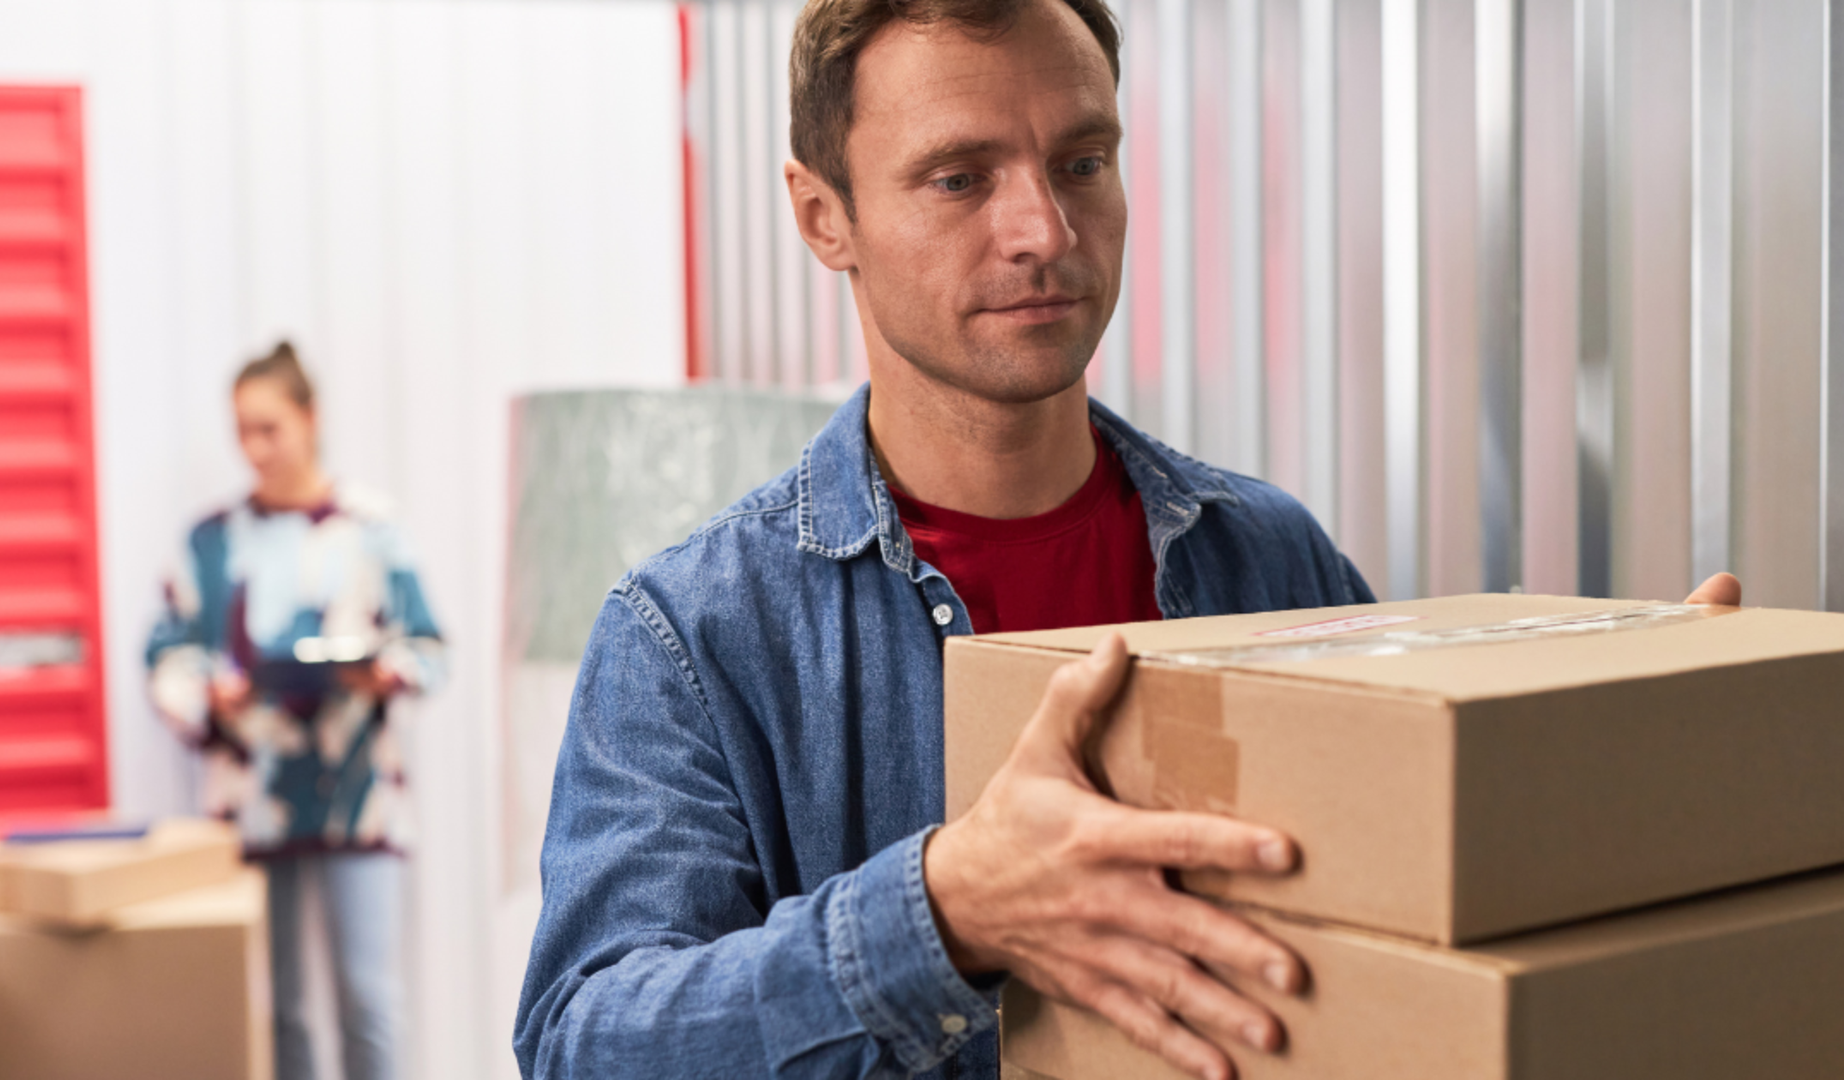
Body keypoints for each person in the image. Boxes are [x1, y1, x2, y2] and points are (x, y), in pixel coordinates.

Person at [513, 1, 1743, 1077]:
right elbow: (585, 1040)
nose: (1042, 229)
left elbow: (1413, 897)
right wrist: (945, 914)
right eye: (960, 177)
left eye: (1083, 160)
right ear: (822, 215)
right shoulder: (693, 635)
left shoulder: (1267, 558)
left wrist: (1626, 759)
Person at [146, 342, 445, 1080]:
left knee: (369, 1003)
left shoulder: (373, 526)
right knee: (273, 1006)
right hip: (255, 796)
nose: (254, 449)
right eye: (241, 430)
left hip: (358, 797)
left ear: (310, 419)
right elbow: (167, 655)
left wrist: (384, 673)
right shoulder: (210, 541)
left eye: (268, 428)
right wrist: (206, 693)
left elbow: (428, 648)